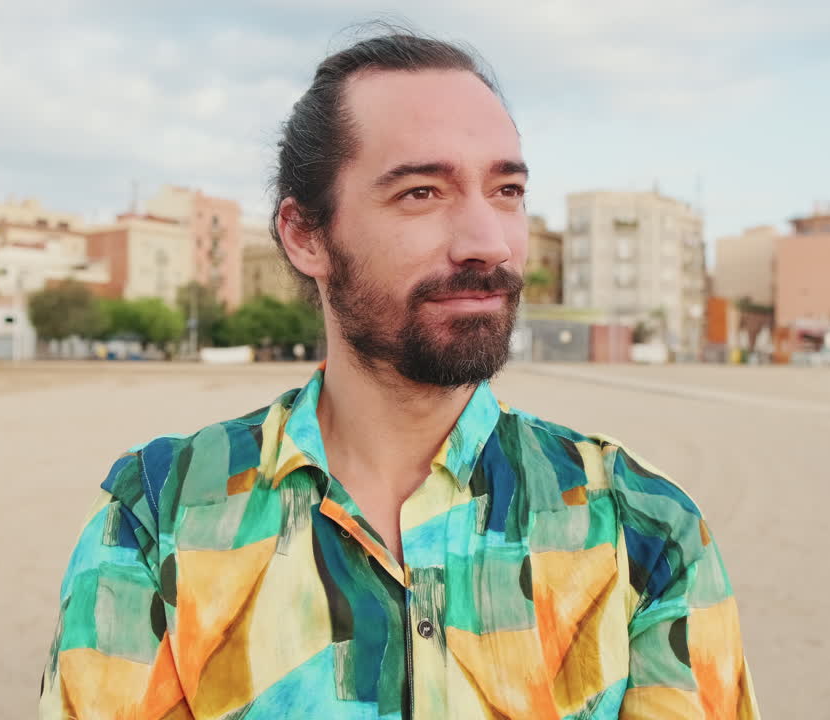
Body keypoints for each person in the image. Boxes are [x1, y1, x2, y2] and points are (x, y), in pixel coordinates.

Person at [40, 29, 759, 720]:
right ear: (306, 236)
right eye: (422, 192)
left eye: (506, 191)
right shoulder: (160, 517)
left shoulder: (643, 527)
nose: (488, 242)